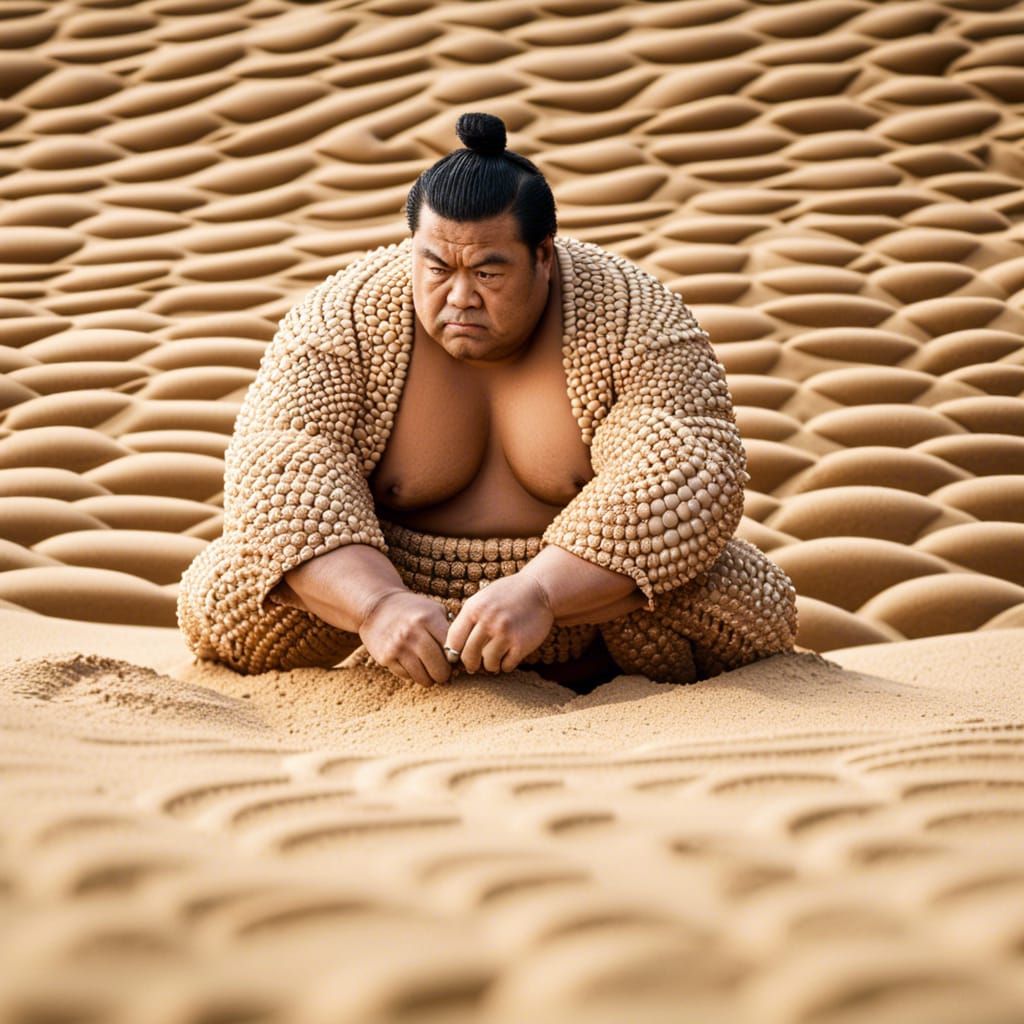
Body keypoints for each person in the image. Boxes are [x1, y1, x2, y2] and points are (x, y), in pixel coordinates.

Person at [177, 111, 797, 690]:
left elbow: (690, 464)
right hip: (392, 581)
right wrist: (376, 603)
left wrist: (543, 593)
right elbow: (279, 461)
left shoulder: (635, 318)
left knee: (748, 608)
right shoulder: (342, 320)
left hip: (587, 596)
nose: (461, 296)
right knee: (227, 594)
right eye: (438, 268)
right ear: (411, 250)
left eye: (489, 273)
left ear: (543, 255)